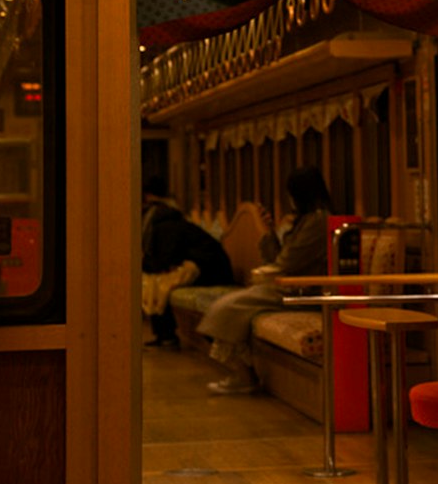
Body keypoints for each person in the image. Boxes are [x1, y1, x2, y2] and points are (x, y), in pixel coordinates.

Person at [197, 165, 330, 394]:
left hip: (301, 291)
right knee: (227, 304)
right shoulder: (307, 219)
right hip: (286, 286)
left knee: (226, 307)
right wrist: (270, 231)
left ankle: (243, 374)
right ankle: (242, 372)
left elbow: (287, 262)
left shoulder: (318, 221)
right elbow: (282, 258)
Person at [141, 178, 234, 347]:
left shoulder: (165, 224)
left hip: (209, 268)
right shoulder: (165, 218)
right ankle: (165, 334)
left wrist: (142, 265)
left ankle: (167, 335)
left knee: (158, 284)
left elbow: (163, 260)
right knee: (154, 282)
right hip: (205, 265)